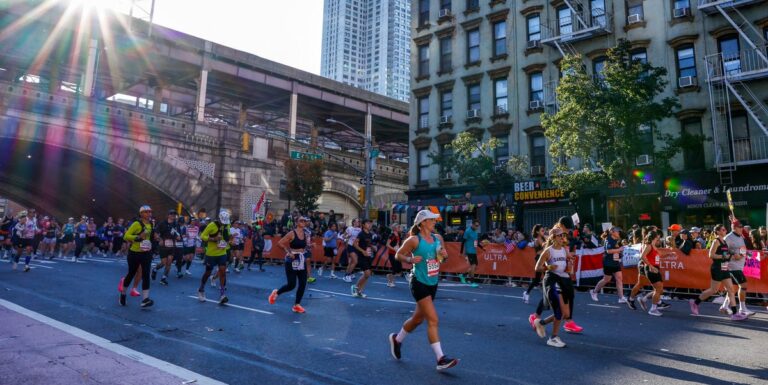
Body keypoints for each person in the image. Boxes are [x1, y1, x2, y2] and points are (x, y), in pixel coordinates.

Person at [387, 210, 458, 371]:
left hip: (432, 281)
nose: (434, 222)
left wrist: (444, 255)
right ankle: (440, 358)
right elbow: (398, 255)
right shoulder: (414, 240)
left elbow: (442, 259)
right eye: (431, 220)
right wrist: (410, 259)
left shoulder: (438, 238)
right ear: (423, 223)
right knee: (433, 319)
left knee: (417, 319)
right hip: (418, 281)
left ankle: (397, 340)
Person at [689, 224, 746, 320]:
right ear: (718, 232)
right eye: (723, 230)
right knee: (713, 290)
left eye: (725, 229)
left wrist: (733, 255)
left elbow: (725, 254)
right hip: (717, 267)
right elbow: (711, 255)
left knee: (731, 290)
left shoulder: (724, 241)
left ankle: (735, 314)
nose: (725, 231)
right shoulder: (716, 241)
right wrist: (724, 256)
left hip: (724, 267)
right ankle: (695, 302)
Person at [530, 227, 572, 348]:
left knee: (565, 314)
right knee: (558, 311)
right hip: (552, 281)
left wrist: (570, 266)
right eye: (559, 235)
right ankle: (553, 338)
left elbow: (569, 266)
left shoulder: (564, 250)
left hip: (564, 280)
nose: (562, 237)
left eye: (563, 235)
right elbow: (537, 268)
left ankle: (541, 323)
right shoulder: (548, 251)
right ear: (553, 238)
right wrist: (549, 267)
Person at [268, 216, 311, 313]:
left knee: (303, 283)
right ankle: (276, 293)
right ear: (296, 223)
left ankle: (297, 305)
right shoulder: (292, 233)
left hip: (301, 259)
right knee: (291, 285)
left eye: (305, 221)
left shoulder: (306, 234)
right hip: (291, 260)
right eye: (301, 220)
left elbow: (305, 246)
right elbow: (279, 243)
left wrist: (310, 246)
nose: (303, 222)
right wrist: (288, 252)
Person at [118, 205, 155, 308]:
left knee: (146, 274)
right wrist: (138, 237)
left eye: (150, 212)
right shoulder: (136, 224)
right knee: (131, 273)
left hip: (146, 252)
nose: (149, 214)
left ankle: (145, 299)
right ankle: (123, 294)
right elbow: (126, 236)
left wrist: (154, 240)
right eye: (146, 212)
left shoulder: (151, 224)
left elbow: (149, 237)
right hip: (134, 253)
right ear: (141, 214)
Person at [197, 209, 233, 304]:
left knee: (222, 271)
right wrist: (213, 239)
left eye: (226, 222)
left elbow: (227, 235)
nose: (224, 224)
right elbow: (202, 236)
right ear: (219, 219)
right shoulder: (211, 225)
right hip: (211, 254)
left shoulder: (227, 225)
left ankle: (222, 295)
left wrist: (230, 239)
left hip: (222, 252)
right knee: (208, 272)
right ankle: (201, 289)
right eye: (223, 222)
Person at [722, 219, 756, 317]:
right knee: (743, 285)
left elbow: (741, 250)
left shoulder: (740, 236)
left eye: (742, 227)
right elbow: (723, 251)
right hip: (732, 266)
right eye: (740, 227)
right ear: (734, 228)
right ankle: (742, 309)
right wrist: (733, 255)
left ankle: (724, 306)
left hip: (739, 266)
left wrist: (748, 254)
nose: (742, 228)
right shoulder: (728, 237)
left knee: (732, 288)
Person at [627, 231, 664, 316]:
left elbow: (657, 256)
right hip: (651, 269)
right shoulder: (648, 245)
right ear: (656, 237)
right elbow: (642, 256)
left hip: (655, 268)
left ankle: (644, 299)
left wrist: (668, 255)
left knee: (660, 289)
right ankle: (653, 309)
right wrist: (651, 266)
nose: (659, 237)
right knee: (658, 289)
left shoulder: (654, 245)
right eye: (658, 235)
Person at [590, 227, 627, 303]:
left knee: (619, 279)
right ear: (612, 232)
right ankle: (594, 292)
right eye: (617, 231)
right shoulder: (608, 240)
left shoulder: (617, 240)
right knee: (606, 279)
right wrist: (619, 250)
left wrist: (622, 252)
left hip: (616, 262)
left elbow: (619, 249)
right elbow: (609, 251)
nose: (618, 233)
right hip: (608, 263)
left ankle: (621, 297)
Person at [152, 210, 183, 285]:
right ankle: (155, 269)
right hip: (163, 246)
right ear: (168, 215)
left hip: (172, 246)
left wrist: (178, 237)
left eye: (174, 214)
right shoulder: (162, 223)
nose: (173, 215)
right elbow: (155, 233)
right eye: (171, 214)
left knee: (169, 262)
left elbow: (178, 235)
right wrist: (159, 239)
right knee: (163, 263)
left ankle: (163, 278)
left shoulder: (176, 224)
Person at [352, 219, 376, 298]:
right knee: (367, 273)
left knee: (367, 275)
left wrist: (373, 247)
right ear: (363, 225)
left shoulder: (370, 234)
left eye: (370, 223)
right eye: (368, 223)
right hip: (362, 256)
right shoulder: (361, 234)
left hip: (368, 256)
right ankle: (355, 287)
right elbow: (354, 244)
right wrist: (363, 251)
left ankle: (360, 291)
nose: (369, 225)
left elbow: (369, 244)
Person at [523, 224, 546, 304]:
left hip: (545, 259)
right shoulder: (538, 239)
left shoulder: (543, 237)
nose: (544, 231)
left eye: (544, 230)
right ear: (537, 232)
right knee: (539, 279)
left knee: (540, 279)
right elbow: (546, 247)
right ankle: (527, 293)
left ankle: (527, 293)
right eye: (542, 230)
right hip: (540, 260)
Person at [459, 221, 480, 288]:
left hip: (474, 251)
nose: (477, 227)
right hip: (469, 251)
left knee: (473, 266)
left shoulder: (476, 232)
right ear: (473, 224)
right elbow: (463, 241)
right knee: (473, 266)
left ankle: (463, 275)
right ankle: (472, 282)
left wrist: (482, 247)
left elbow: (475, 242)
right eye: (476, 225)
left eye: (478, 226)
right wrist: (461, 252)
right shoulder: (467, 231)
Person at [341, 218, 362, 283]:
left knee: (352, 262)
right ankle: (348, 275)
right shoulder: (349, 228)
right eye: (357, 221)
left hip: (357, 247)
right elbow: (343, 236)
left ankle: (348, 274)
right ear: (353, 222)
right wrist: (347, 236)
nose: (358, 222)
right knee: (355, 261)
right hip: (350, 246)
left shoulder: (360, 229)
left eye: (358, 221)